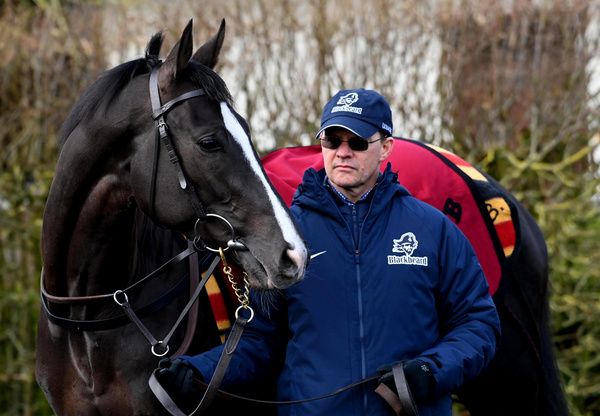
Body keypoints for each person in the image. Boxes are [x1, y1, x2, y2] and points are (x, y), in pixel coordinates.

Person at [156, 88, 501, 415]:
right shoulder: (289, 236)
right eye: (332, 140)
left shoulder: (434, 230)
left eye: (358, 141)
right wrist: (197, 370)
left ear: (386, 147)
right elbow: (259, 342)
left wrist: (431, 369)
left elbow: (478, 323)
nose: (343, 151)